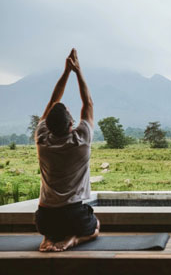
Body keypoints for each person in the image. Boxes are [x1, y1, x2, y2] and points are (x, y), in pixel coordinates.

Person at [34, 49, 99, 252]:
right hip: (73, 215)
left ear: (48, 125)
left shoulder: (42, 139)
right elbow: (88, 103)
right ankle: (74, 240)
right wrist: (77, 71)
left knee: (52, 226)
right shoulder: (81, 140)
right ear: (71, 124)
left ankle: (47, 239)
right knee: (96, 227)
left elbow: (52, 102)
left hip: (44, 218)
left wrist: (65, 72)